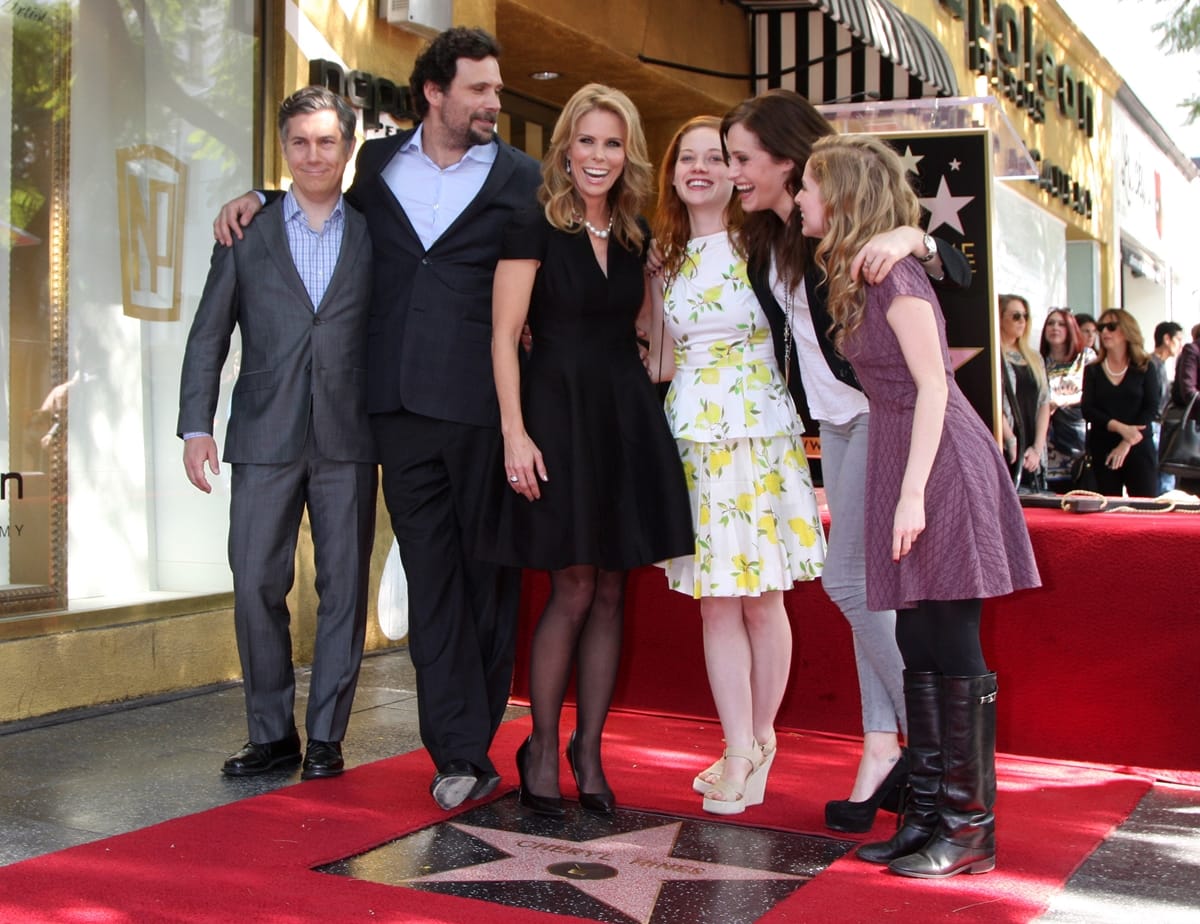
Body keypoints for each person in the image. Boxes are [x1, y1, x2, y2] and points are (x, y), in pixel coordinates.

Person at [213, 27, 542, 810]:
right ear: (435, 93)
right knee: (430, 579)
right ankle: (456, 750)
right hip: (395, 408)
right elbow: (317, 201)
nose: (494, 102)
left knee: (486, 581)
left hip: (484, 409)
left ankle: (477, 728)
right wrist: (260, 198)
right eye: (480, 89)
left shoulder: (523, 177)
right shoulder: (379, 163)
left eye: (496, 89)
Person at [720, 89, 973, 834]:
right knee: (875, 592)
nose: (737, 173)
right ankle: (880, 748)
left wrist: (918, 239)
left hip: (879, 416)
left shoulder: (859, 231)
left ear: (789, 163)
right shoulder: (768, 238)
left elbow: (948, 268)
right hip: (833, 423)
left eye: (744, 159)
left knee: (852, 581)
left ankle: (934, 752)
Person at [795, 134, 1039, 878]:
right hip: (908, 452)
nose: (800, 198)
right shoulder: (860, 270)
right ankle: (928, 815)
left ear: (839, 197)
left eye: (809, 185)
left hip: (941, 462)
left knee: (951, 641)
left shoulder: (895, 275)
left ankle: (968, 831)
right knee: (919, 644)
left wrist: (907, 494)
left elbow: (936, 387)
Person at [478, 85, 694, 817]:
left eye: (612, 143)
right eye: (587, 141)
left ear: (626, 152)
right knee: (572, 584)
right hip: (554, 416)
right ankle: (541, 745)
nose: (598, 156)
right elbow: (505, 337)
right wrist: (514, 431)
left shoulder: (636, 238)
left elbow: (655, 346)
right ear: (565, 150)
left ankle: (588, 749)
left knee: (611, 587)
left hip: (623, 415)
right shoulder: (529, 226)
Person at [179, 86, 377, 781]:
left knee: (344, 590)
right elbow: (209, 334)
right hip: (262, 433)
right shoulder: (248, 229)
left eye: (327, 141)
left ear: (347, 149)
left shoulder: (374, 229)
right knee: (256, 582)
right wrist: (196, 426)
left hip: (349, 436)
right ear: (284, 149)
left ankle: (325, 735)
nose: (314, 154)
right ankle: (271, 734)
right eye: (301, 142)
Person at [647, 116, 826, 815]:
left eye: (715, 157)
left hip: (757, 428)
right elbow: (660, 357)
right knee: (715, 599)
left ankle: (758, 737)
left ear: (735, 168)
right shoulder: (662, 252)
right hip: (691, 431)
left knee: (764, 596)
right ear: (671, 171)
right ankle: (737, 746)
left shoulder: (766, 242)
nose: (699, 168)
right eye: (685, 157)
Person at [1080, 308, 1163, 497]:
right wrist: (1120, 428)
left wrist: (1126, 441)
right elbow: (1088, 409)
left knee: (1145, 508)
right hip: (1103, 446)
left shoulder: (1145, 366)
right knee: (1107, 510)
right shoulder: (1093, 370)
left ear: (1126, 330)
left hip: (1139, 445)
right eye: (1101, 328)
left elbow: (1151, 408)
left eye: (1111, 327)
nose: (1104, 332)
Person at [999, 294, 1049, 492]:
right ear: (1000, 318)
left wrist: (1037, 447)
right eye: (1016, 316)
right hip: (1005, 439)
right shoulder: (994, 355)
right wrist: (1010, 438)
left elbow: (1045, 402)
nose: (1022, 321)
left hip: (1032, 439)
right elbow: (994, 402)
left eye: (1025, 316)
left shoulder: (1034, 357)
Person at [1038, 309, 1093, 490]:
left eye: (1061, 324)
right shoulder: (1038, 361)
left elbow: (1094, 393)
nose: (1055, 328)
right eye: (1051, 323)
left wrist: (1060, 401)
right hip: (1048, 443)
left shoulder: (1086, 357)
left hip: (1079, 441)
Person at [1150, 321, 1184, 493]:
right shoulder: (1151, 364)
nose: (1181, 345)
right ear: (1167, 339)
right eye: (1178, 339)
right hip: (1154, 425)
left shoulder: (1160, 365)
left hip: (1158, 425)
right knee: (1162, 478)